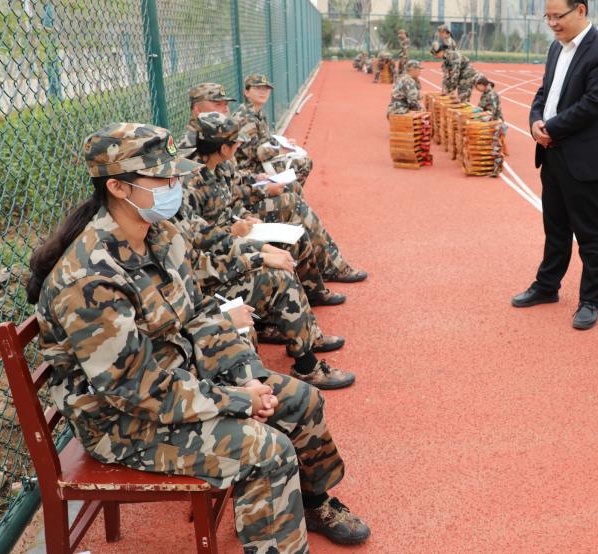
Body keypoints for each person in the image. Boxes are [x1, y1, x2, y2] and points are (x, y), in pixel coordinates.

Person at [27, 122, 371, 551]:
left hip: (178, 382)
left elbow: (201, 313)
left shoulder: (160, 236)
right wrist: (238, 400)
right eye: (164, 179)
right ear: (117, 187)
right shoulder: (89, 278)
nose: (176, 186)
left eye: (176, 176)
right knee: (268, 450)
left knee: (302, 400)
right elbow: (135, 391)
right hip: (121, 422)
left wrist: (247, 376)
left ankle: (314, 502)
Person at [185, 112, 354, 389]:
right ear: (224, 148)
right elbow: (204, 240)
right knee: (278, 274)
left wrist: (244, 218)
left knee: (291, 244)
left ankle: (306, 330)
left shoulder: (222, 167)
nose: (239, 146)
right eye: (235, 143)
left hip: (230, 245)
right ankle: (306, 365)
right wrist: (257, 249)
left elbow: (230, 201)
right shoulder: (190, 183)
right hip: (212, 268)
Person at [511, 0, 598, 330]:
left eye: (558, 16)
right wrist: (534, 121)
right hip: (552, 154)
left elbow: (594, 104)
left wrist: (552, 128)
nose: (552, 23)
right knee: (555, 227)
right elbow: (544, 92)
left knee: (590, 234)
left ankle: (591, 300)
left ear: (580, 10)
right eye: (547, 17)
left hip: (584, 160)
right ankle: (547, 286)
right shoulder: (556, 48)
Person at [183, 82, 366, 300]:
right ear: (197, 110)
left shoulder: (218, 135)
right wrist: (259, 195)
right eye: (217, 104)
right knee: (291, 203)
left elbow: (231, 184)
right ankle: (326, 271)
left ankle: (323, 270)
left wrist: (250, 199)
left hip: (236, 214)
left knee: (292, 197)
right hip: (221, 233)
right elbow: (207, 212)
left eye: (225, 104)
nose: (224, 109)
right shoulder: (196, 152)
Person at [233, 73, 312, 184]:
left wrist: (285, 144)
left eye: (266, 89)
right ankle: (286, 192)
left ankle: (288, 191)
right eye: (257, 88)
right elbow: (256, 154)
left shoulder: (258, 113)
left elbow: (266, 139)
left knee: (302, 158)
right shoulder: (245, 117)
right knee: (302, 164)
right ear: (247, 92)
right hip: (249, 169)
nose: (263, 92)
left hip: (262, 163)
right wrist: (280, 150)